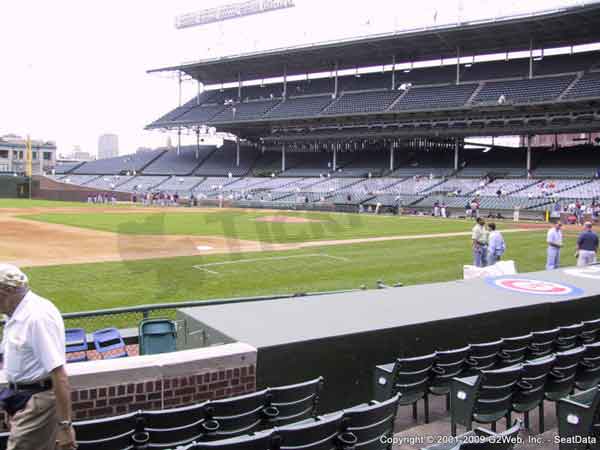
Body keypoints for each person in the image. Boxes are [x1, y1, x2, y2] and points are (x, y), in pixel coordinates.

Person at [0, 264, 75, 450]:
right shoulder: (14, 315)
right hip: (21, 399)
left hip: (38, 402)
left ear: (7, 291)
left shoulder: (37, 317)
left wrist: (65, 426)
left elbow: (60, 375)